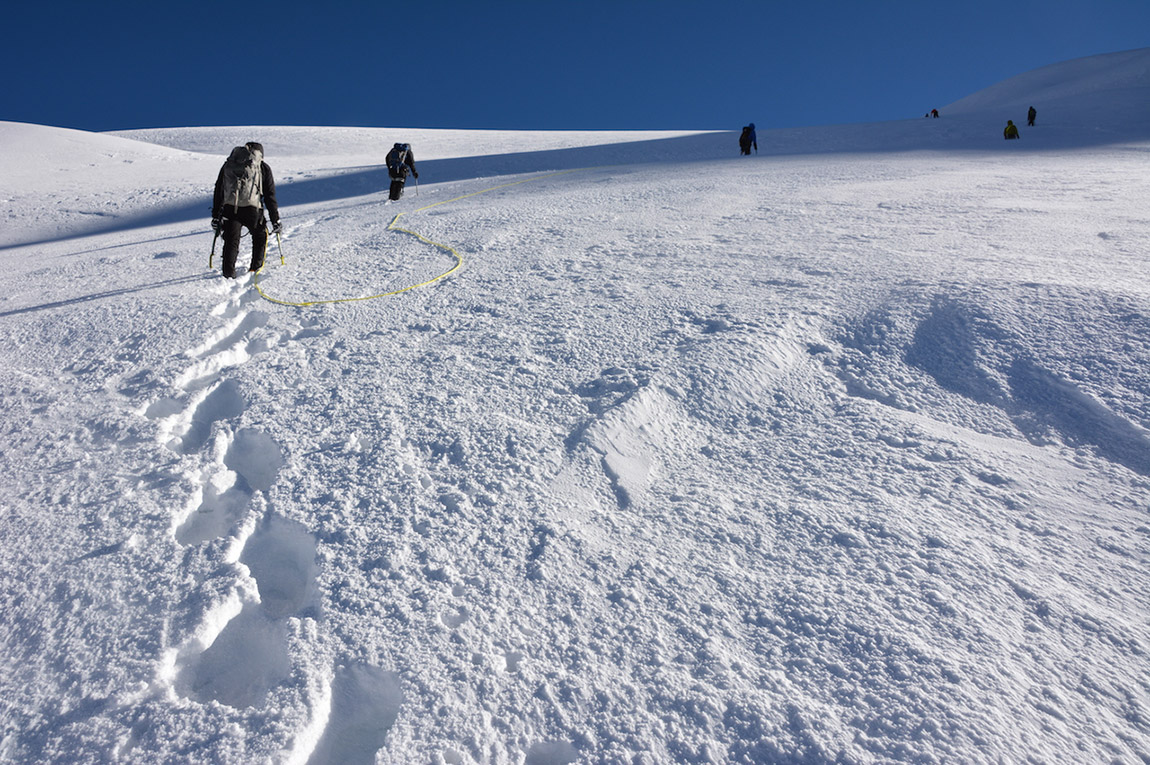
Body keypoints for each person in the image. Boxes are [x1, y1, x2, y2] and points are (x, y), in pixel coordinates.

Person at [212, 142, 281, 279]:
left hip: (230, 208)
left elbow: (219, 189)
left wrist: (216, 216)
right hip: (253, 209)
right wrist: (275, 219)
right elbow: (269, 195)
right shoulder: (263, 167)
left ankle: (228, 274)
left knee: (231, 240)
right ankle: (255, 269)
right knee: (260, 236)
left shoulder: (228, 165)